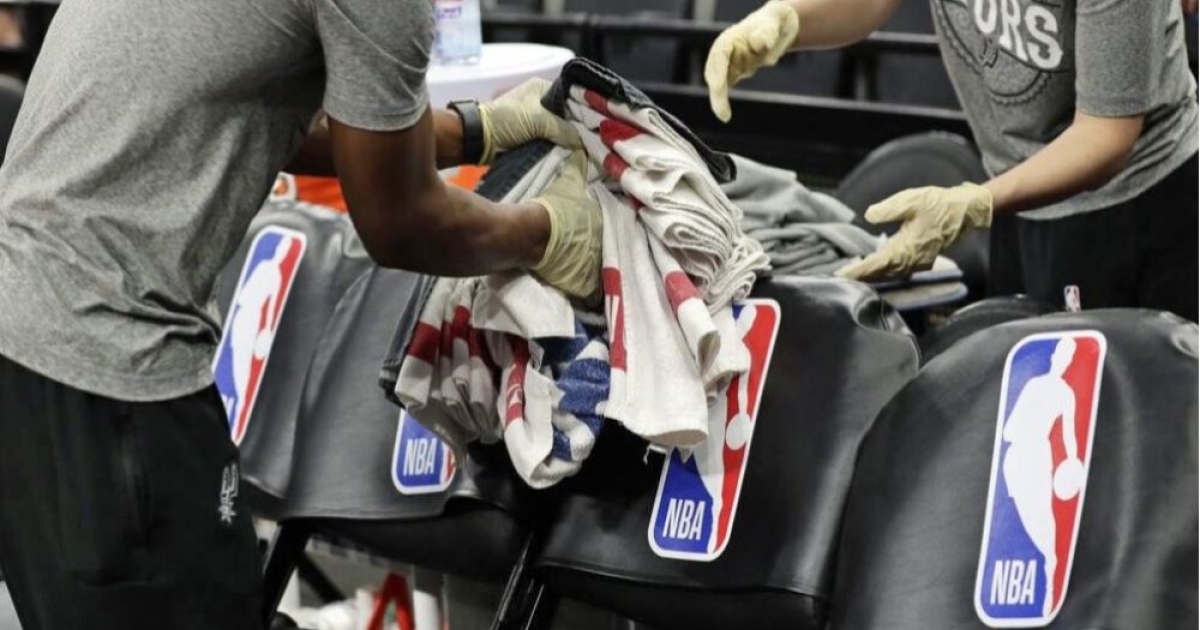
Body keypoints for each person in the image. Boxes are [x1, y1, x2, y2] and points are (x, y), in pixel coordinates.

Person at [0, 2, 599, 629]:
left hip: (23, 332)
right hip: (110, 360)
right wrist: (549, 235)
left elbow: (256, 109)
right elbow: (401, 225)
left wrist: (477, 130)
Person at [707, 0, 1199, 320]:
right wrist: (788, 19)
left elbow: (1107, 134)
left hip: (1139, 211)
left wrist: (974, 203)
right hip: (1018, 203)